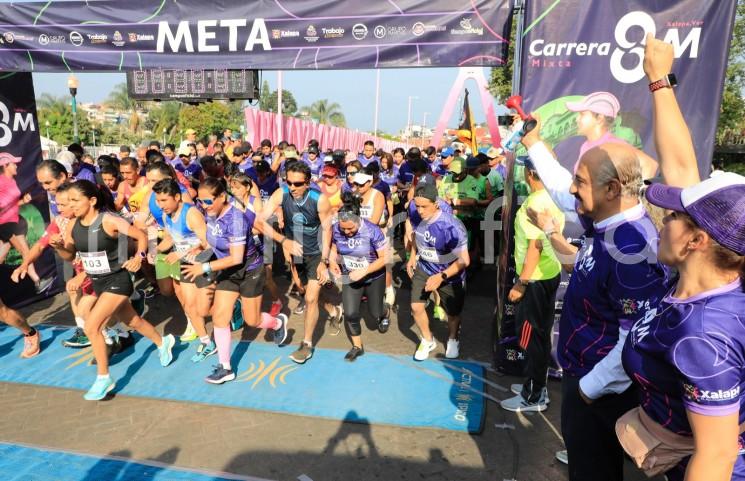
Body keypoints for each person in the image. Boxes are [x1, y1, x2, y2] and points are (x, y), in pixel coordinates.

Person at [521, 120, 669, 480]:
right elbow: (559, 188)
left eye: (581, 181)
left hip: (600, 389)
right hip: (587, 378)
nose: (572, 189)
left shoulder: (631, 246)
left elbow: (637, 334)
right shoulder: (607, 220)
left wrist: (588, 390)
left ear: (613, 188)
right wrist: (534, 143)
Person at [57, 180, 175, 401]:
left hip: (118, 280)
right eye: (68, 201)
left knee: (92, 325)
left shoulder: (109, 221)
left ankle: (103, 378)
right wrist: (59, 247)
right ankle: (163, 342)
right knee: (133, 322)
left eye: (75, 200)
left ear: (91, 201)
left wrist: (138, 258)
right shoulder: (73, 225)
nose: (70, 205)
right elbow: (70, 256)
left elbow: (139, 236)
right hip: (98, 282)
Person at [181, 178, 288, 384]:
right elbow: (214, 239)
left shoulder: (236, 219)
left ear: (222, 196)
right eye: (201, 202)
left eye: (208, 201)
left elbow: (236, 257)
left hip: (249, 271)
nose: (204, 205)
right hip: (228, 272)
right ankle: (225, 367)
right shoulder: (209, 212)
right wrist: (199, 247)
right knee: (220, 317)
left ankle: (276, 323)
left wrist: (203, 267)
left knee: (252, 320)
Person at [500, 156, 564, 413]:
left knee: (530, 337)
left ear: (528, 173)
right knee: (539, 335)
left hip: (535, 279)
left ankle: (534, 394)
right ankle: (538, 384)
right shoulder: (550, 197)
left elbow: (535, 246)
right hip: (547, 275)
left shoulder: (536, 203)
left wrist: (521, 284)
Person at [260, 162, 332, 364]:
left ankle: (306, 344)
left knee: (310, 299)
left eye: (297, 184)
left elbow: (327, 230)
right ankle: (334, 310)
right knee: (304, 289)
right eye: (288, 182)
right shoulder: (281, 194)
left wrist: (324, 261)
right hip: (295, 252)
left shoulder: (320, 200)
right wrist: (284, 241)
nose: (292, 187)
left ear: (308, 183)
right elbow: (259, 221)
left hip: (316, 253)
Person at [152, 179, 216, 362]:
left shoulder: (192, 214)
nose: (160, 205)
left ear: (177, 197)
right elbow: (170, 239)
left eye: (164, 200)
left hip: (202, 263)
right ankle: (206, 341)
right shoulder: (166, 215)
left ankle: (232, 306)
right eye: (158, 200)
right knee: (189, 306)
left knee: (204, 310)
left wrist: (181, 253)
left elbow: (207, 243)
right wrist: (152, 251)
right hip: (185, 265)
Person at [406, 182, 469, 360]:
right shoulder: (416, 212)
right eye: (416, 206)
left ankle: (453, 337)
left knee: (453, 314)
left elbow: (465, 260)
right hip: (425, 267)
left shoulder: (451, 226)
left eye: (424, 207)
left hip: (449, 273)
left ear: (436, 203)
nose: (419, 211)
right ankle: (428, 339)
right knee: (415, 306)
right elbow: (415, 236)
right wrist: (412, 256)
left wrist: (441, 277)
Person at [329, 193, 390, 361]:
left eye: (351, 229)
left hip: (374, 277)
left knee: (375, 311)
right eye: (344, 229)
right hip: (351, 276)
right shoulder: (336, 228)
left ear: (358, 220)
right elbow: (334, 247)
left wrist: (365, 270)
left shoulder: (372, 230)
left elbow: (385, 258)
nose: (347, 232)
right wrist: (332, 261)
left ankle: (385, 312)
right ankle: (357, 346)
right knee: (350, 313)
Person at [566, 91, 659, 179]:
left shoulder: (612, 145)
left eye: (582, 114)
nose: (577, 119)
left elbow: (650, 165)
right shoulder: (585, 145)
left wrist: (635, 194)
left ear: (599, 118)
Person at [229, 172, 283, 318]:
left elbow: (260, 224)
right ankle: (243, 306)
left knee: (267, 277)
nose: (233, 191)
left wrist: (243, 231)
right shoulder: (231, 202)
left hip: (261, 243)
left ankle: (276, 301)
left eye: (237, 188)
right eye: (232, 188)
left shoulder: (255, 202)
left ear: (247, 187)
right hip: (244, 246)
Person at [0, 153, 52, 293]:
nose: (16, 165)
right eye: (13, 163)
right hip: (7, 223)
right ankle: (37, 282)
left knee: (2, 255)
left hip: (13, 221)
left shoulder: (11, 180)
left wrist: (23, 201)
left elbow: (12, 203)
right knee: (25, 251)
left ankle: (37, 282)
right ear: (5, 165)